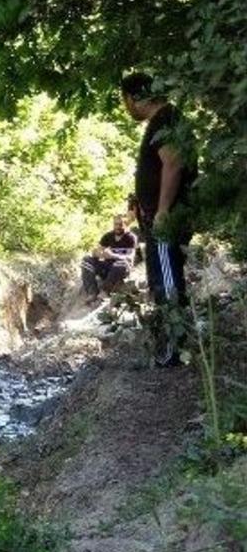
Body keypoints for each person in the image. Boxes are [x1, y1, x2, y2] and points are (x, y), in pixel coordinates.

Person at [120, 73, 198, 365]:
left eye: (125, 102)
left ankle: (173, 350)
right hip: (162, 215)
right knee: (163, 275)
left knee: (167, 280)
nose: (127, 108)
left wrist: (163, 210)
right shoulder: (166, 118)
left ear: (133, 98)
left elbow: (173, 163)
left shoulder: (165, 119)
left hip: (166, 217)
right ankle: (170, 345)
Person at [81, 214, 137, 302]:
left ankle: (105, 290)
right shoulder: (108, 236)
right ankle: (92, 292)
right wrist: (99, 254)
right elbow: (97, 251)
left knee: (121, 263)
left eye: (120, 224)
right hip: (107, 266)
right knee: (86, 260)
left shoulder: (130, 237)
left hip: (121, 269)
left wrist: (112, 255)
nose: (118, 227)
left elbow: (130, 258)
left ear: (125, 225)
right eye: (116, 224)